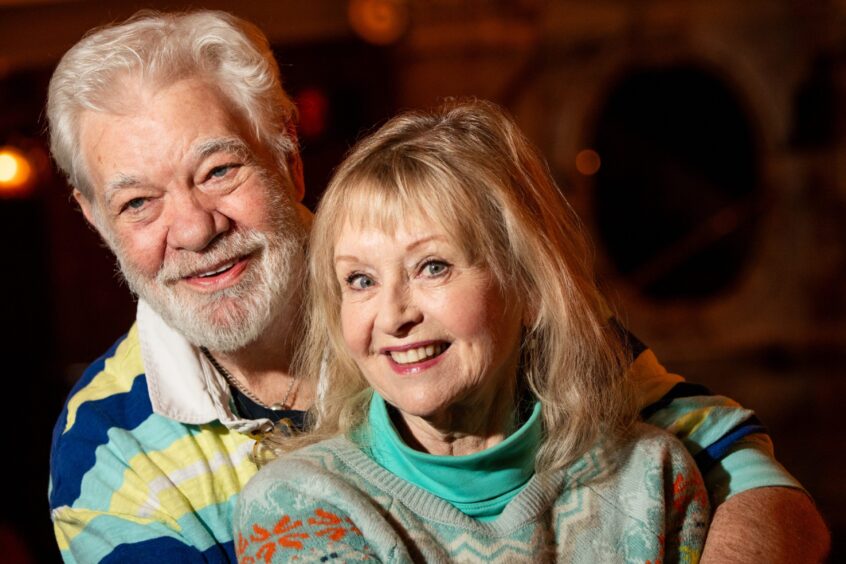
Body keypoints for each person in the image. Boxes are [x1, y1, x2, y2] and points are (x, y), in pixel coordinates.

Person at [46, 9, 828, 564]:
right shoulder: (106, 447)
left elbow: (734, 462)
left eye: (218, 170)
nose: (191, 228)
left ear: (287, 155)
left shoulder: (469, 306)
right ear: (92, 216)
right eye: (138, 201)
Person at [235, 99, 713, 562]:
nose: (393, 315)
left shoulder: (653, 479)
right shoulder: (297, 506)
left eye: (432, 267)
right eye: (361, 280)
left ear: (530, 288)